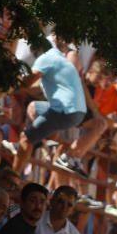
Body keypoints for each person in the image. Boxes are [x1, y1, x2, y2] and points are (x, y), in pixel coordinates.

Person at [14, 44, 87, 173]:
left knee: (25, 138)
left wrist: (7, 87)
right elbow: (35, 87)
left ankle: (13, 177)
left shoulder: (45, 58)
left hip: (65, 110)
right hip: (77, 112)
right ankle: (47, 138)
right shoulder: (58, 57)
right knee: (33, 107)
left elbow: (27, 82)